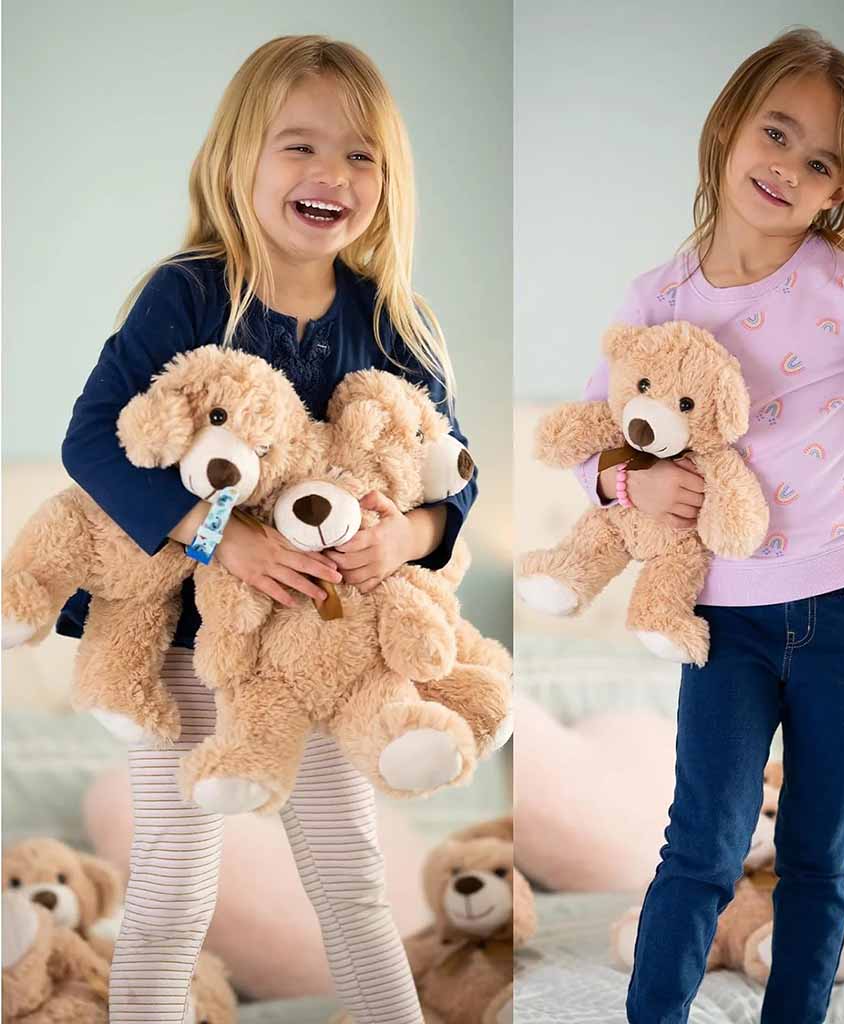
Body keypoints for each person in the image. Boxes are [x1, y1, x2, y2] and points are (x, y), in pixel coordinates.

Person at [573, 27, 844, 1024]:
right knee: (702, 851)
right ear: (728, 129)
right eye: (776, 134)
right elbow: (587, 442)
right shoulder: (659, 297)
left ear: (838, 193)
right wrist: (625, 487)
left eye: (821, 162)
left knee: (818, 854)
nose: (789, 168)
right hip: (720, 621)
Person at [58, 35, 476, 1024]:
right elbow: (91, 445)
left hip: (317, 641)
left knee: (355, 889)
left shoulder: (393, 323)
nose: (331, 173)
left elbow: (450, 475)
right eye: (300, 146)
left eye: (360, 155)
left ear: (387, 178)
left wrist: (403, 539)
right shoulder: (191, 294)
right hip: (183, 645)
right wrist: (220, 539)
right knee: (168, 899)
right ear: (240, 158)